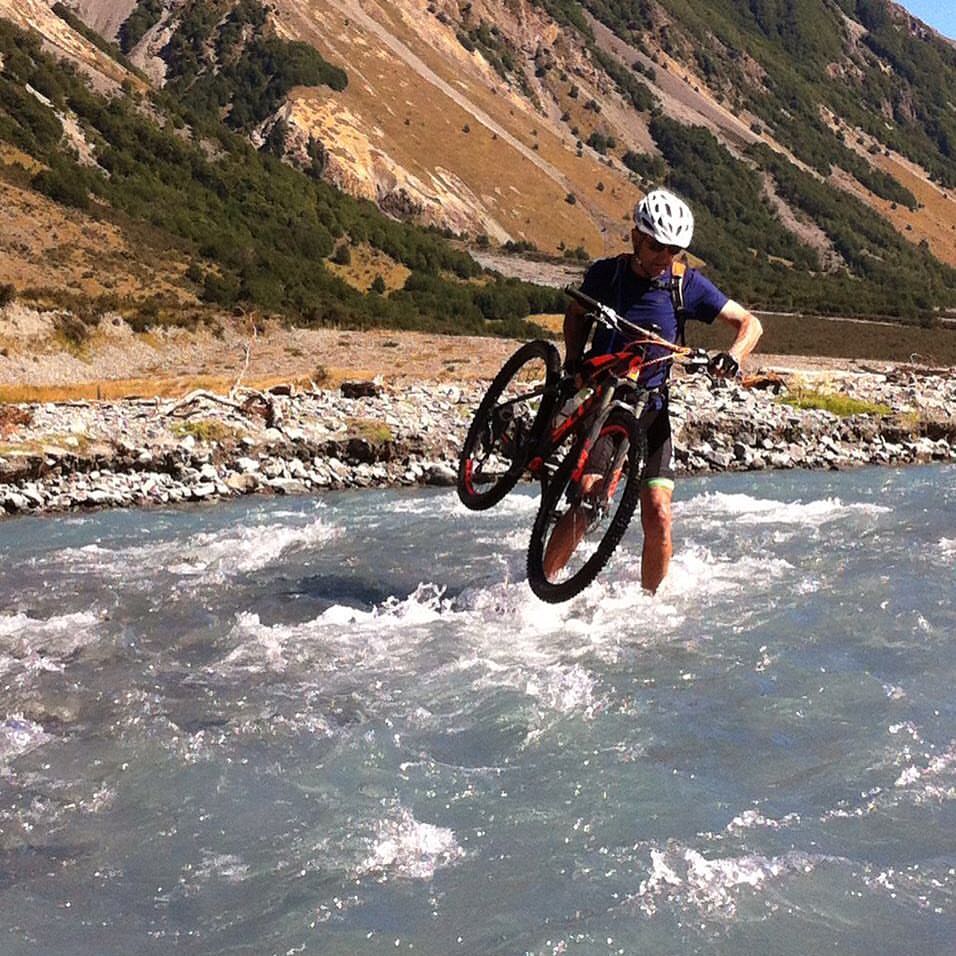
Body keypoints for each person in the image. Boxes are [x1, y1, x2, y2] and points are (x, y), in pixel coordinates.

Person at [543, 187, 763, 593]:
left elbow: (750, 323)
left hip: (652, 410)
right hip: (607, 405)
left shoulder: (685, 285)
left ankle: (651, 604)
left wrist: (733, 356)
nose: (665, 257)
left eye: (674, 250)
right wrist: (573, 361)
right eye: (657, 247)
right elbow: (575, 315)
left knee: (659, 515)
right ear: (636, 238)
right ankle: (542, 587)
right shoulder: (606, 275)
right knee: (588, 500)